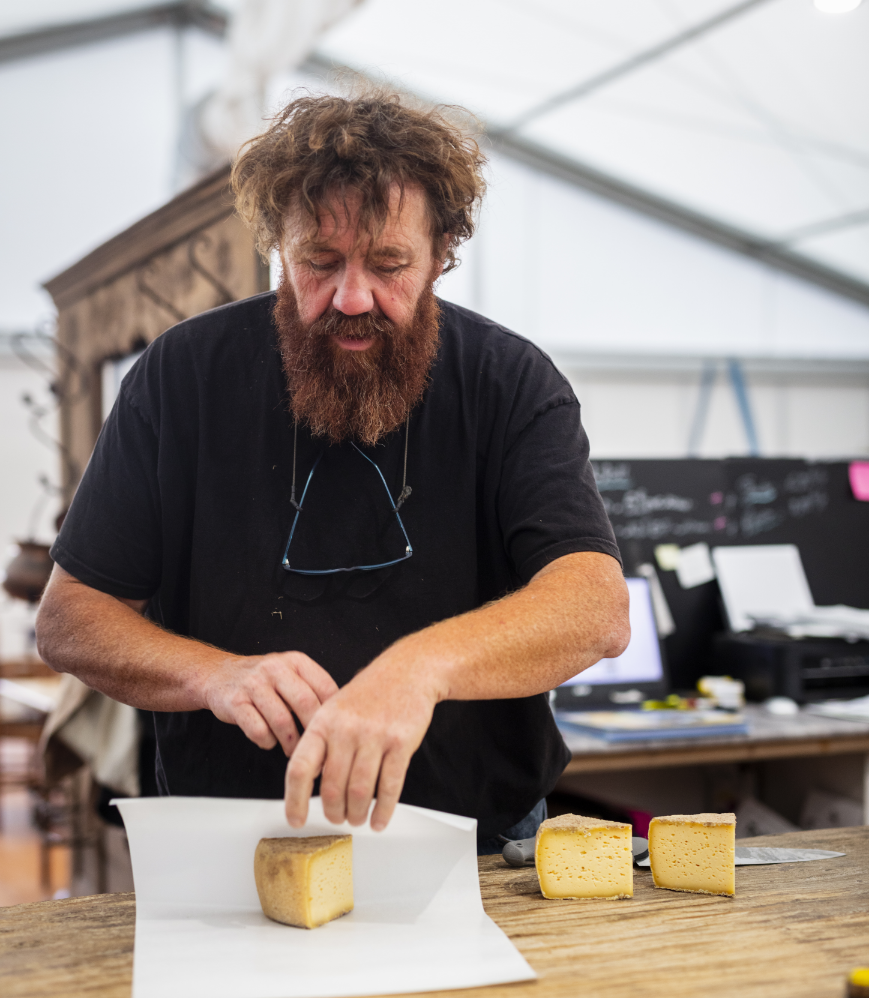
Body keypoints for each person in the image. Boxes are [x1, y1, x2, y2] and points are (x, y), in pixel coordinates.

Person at [36, 88, 630, 852]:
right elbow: (69, 617)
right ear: (277, 248)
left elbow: (593, 606)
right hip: (228, 840)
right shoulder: (180, 377)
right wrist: (213, 676)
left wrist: (420, 668)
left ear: (442, 252)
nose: (352, 297)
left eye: (389, 264)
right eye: (319, 262)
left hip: (476, 841)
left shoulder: (511, 383)